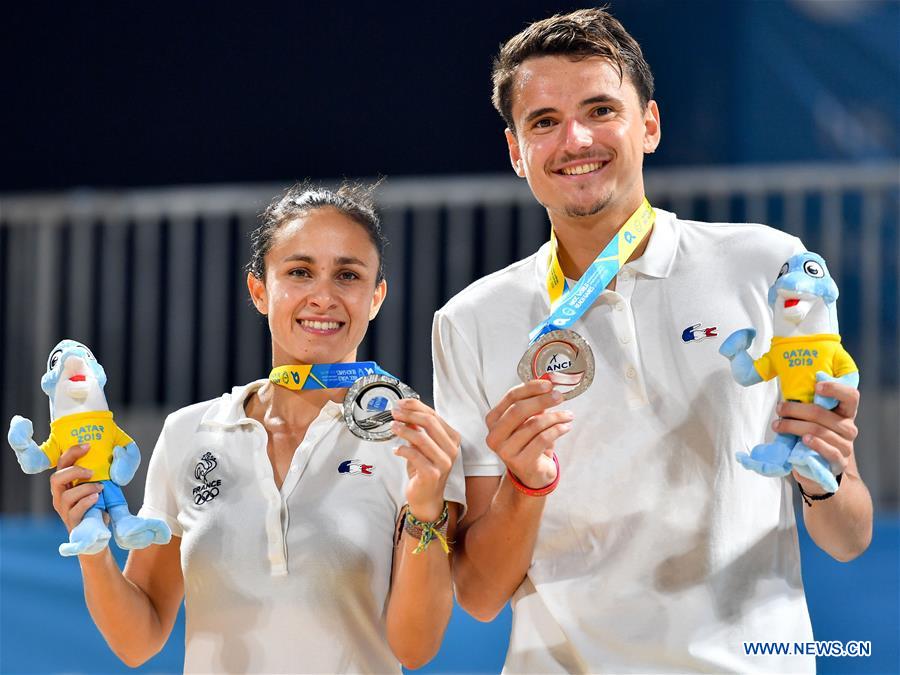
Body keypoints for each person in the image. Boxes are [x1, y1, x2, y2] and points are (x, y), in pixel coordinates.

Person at [432, 9, 872, 673]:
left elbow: (849, 534)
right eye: (543, 122)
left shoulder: (769, 265)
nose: (574, 138)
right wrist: (523, 488)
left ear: (650, 125)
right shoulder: (470, 320)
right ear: (517, 152)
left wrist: (827, 478)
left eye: (600, 109)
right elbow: (480, 593)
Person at [48, 181, 465, 673]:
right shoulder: (189, 433)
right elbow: (138, 640)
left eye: (347, 275)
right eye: (299, 272)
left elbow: (415, 649)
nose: (323, 297)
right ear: (259, 290)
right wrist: (92, 550)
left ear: (376, 297)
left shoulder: (416, 443)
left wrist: (425, 508)